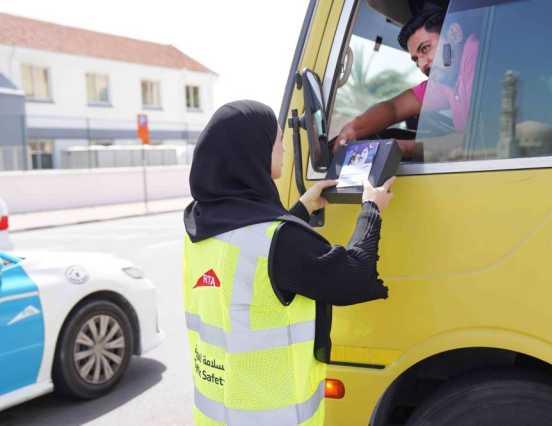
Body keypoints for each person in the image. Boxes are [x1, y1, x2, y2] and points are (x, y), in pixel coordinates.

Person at [182, 100, 394, 426]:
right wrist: (372, 208)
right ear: (252, 152)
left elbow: (259, 262)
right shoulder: (279, 241)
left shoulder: (200, 223)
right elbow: (354, 274)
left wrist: (301, 210)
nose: (282, 149)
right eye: (277, 141)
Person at [335, 5, 479, 162]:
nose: (423, 64)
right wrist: (353, 129)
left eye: (425, 49)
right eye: (416, 60)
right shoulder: (448, 80)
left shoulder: (476, 55)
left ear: (454, 34)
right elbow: (394, 108)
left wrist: (403, 147)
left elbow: (479, 139)